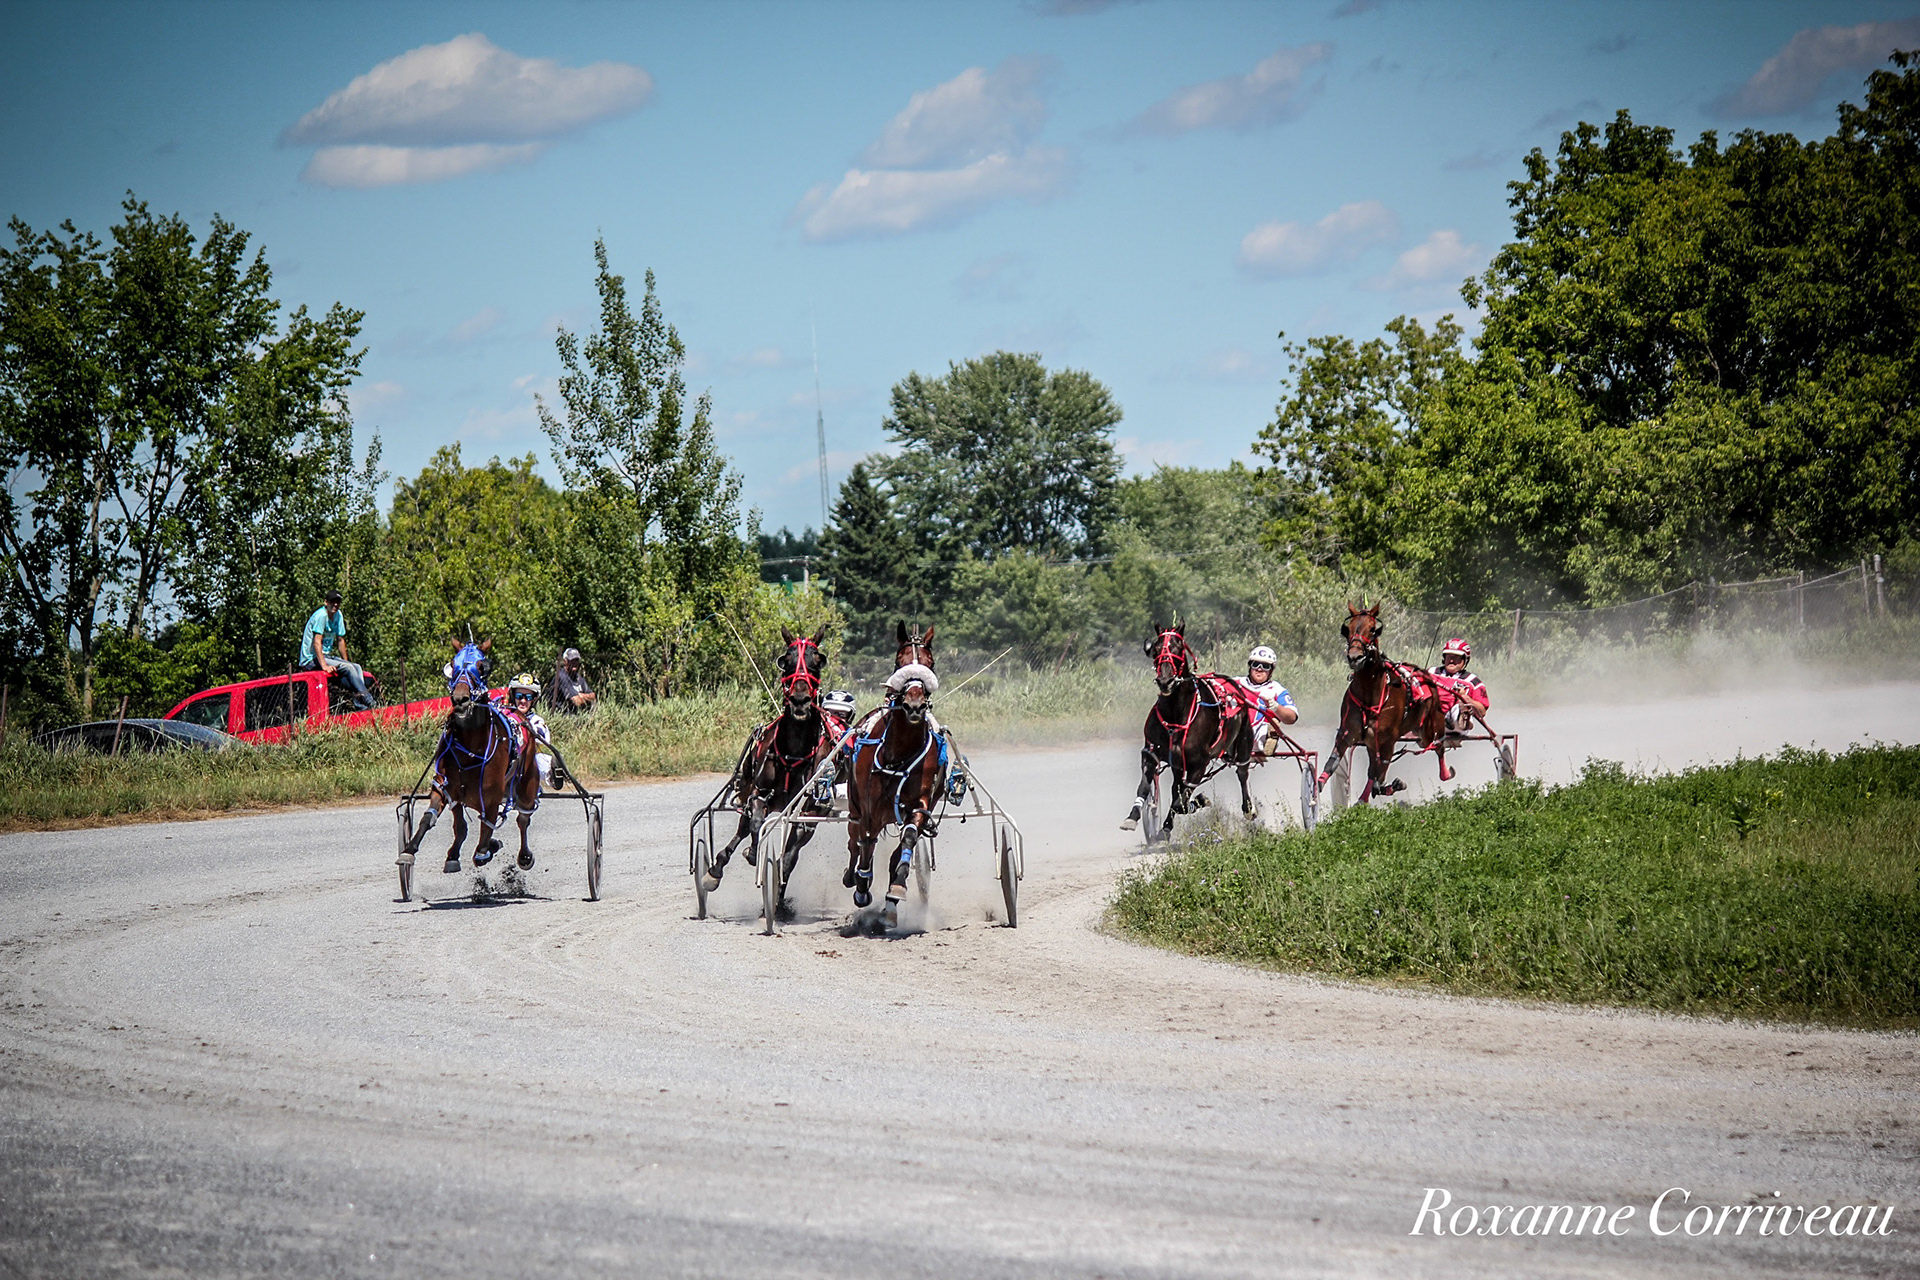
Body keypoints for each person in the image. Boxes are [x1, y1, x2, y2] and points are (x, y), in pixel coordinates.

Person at [300, 589, 375, 710]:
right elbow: (317, 643)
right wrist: (324, 666)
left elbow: (341, 641)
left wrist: (346, 662)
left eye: (338, 602)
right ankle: (369, 701)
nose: (335, 605)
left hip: (325, 656)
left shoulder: (338, 615)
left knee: (356, 667)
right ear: (326, 602)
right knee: (350, 668)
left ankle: (359, 702)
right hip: (311, 660)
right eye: (332, 602)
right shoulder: (321, 616)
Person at [1234, 644, 1299, 757]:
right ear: (1250, 666)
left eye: (1265, 666)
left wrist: (1275, 706)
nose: (1259, 669)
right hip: (1234, 733)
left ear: (1271, 670)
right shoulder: (1235, 683)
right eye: (1255, 664)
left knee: (1272, 724)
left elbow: (1291, 718)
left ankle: (1271, 738)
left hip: (1259, 737)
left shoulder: (1277, 690)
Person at [504, 674, 555, 792]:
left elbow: (543, 739)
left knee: (541, 759)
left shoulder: (536, 720)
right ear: (513, 696)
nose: (523, 701)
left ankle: (551, 774)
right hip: (506, 760)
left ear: (534, 699)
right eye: (519, 696)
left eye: (528, 697)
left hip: (527, 764)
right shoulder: (504, 716)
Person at [1429, 638, 1490, 733]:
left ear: (1465, 660)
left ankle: (1463, 717)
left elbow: (1482, 712)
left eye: (1456, 657)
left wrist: (1467, 700)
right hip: (1430, 717)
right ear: (1444, 658)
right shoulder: (1430, 673)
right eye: (1449, 656)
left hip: (1455, 725)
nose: (1452, 661)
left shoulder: (1473, 682)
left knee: (1458, 706)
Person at [551, 648, 596, 714]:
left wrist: (581, 696)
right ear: (565, 661)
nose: (575, 663)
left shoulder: (578, 677)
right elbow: (577, 701)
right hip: (562, 715)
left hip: (576, 715)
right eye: (572, 660)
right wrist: (584, 697)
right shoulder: (561, 676)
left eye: (576, 660)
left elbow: (593, 696)